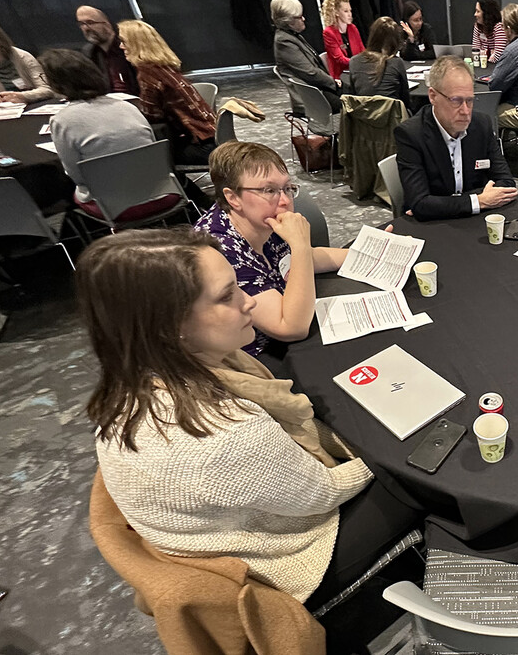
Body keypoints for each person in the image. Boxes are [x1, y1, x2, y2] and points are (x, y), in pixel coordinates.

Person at [79, 227, 421, 615]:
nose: (248, 303)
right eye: (227, 296)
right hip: (273, 569)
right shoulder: (226, 433)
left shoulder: (135, 376)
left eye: (238, 286)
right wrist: (389, 452)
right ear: (168, 326)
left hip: (213, 529)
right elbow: (323, 493)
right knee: (416, 478)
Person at [193, 142, 357, 361]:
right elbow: (290, 328)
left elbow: (304, 257)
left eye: (287, 188)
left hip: (283, 337)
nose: (285, 201)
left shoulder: (262, 221)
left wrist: (368, 255)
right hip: (254, 358)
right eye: (269, 190)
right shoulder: (219, 249)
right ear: (232, 198)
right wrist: (299, 244)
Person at [393, 56, 517, 221]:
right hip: (432, 227)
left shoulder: (482, 125)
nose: (465, 111)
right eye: (456, 100)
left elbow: (507, 184)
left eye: (470, 101)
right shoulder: (411, 134)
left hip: (473, 222)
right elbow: (420, 204)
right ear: (433, 96)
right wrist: (479, 200)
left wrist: (442, 204)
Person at [38, 49, 155, 206]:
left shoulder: (62, 121)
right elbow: (153, 149)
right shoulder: (127, 106)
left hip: (110, 201)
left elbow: (77, 176)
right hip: (158, 188)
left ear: (57, 83)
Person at [118, 20, 217, 165]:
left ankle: (180, 186)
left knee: (147, 158)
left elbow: (152, 116)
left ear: (135, 44)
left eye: (124, 42)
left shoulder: (147, 73)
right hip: (214, 136)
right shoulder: (165, 67)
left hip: (203, 146)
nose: (120, 46)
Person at [271, 0, 342, 113]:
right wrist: (333, 83)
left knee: (357, 94)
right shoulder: (284, 41)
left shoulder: (292, 36)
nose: (303, 19)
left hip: (318, 88)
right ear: (289, 22)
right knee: (354, 103)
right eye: (299, 17)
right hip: (313, 95)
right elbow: (310, 73)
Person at [76, 6, 139, 95]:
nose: (86, 28)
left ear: (107, 24)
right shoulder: (89, 52)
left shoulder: (127, 46)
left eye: (90, 22)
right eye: (81, 24)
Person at [349, 17, 411, 106]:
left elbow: (353, 97)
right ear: (395, 41)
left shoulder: (354, 61)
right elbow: (405, 100)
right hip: (392, 117)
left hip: (362, 116)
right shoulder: (396, 63)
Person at [321, 0, 363, 79]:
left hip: (358, 71)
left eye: (350, 11)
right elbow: (340, 60)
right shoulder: (328, 33)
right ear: (336, 12)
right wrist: (361, 63)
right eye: (346, 11)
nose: (350, 14)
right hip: (341, 76)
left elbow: (362, 51)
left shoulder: (353, 28)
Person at [473, 0, 508, 64]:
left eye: (478, 11)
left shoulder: (499, 27)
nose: (475, 14)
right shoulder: (478, 26)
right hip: (483, 64)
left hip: (496, 65)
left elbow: (498, 56)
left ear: (486, 13)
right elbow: (475, 50)